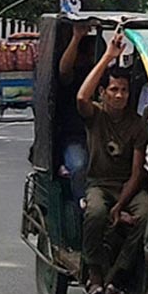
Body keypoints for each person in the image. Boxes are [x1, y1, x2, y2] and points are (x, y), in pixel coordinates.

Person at [76, 33, 148, 294]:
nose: (119, 95)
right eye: (114, 89)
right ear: (104, 92)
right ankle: (94, 277)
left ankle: (116, 278)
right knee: (94, 213)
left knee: (147, 216)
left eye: (124, 90)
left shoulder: (138, 125)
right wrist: (109, 57)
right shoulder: (95, 115)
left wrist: (120, 205)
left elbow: (136, 172)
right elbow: (81, 96)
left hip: (127, 187)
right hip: (98, 184)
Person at [57, 24, 95, 201]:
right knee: (79, 165)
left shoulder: (106, 79)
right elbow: (64, 71)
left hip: (102, 139)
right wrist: (76, 37)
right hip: (75, 137)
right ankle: (81, 211)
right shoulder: (73, 78)